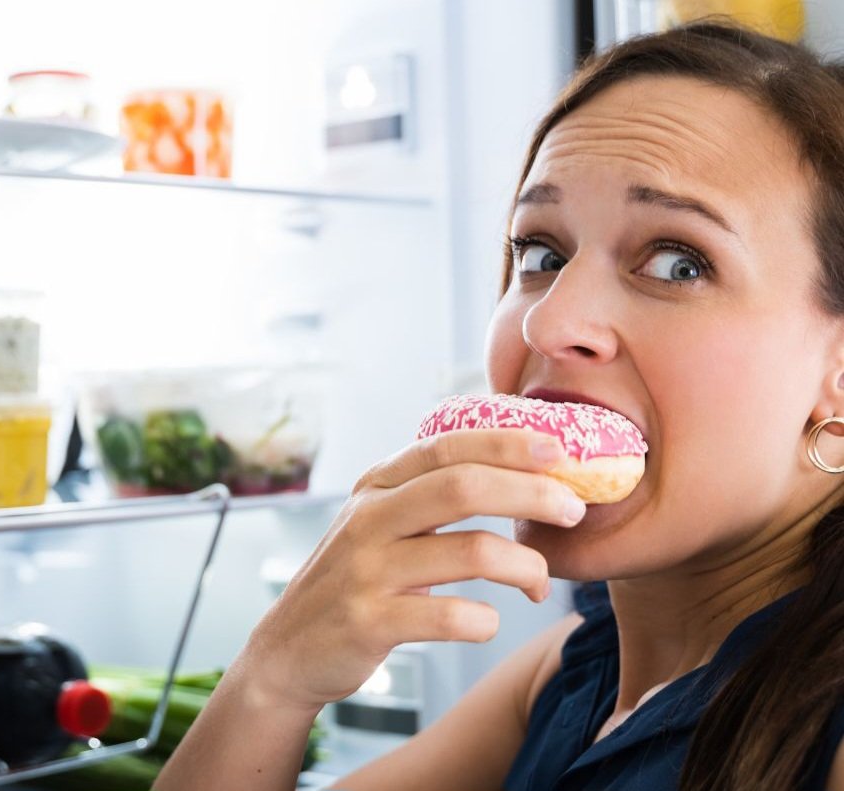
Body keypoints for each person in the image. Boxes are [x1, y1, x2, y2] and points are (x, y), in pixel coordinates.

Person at [152, 21, 844, 791]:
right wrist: (272, 677)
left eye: (678, 263)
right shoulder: (564, 678)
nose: (548, 322)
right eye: (541, 253)